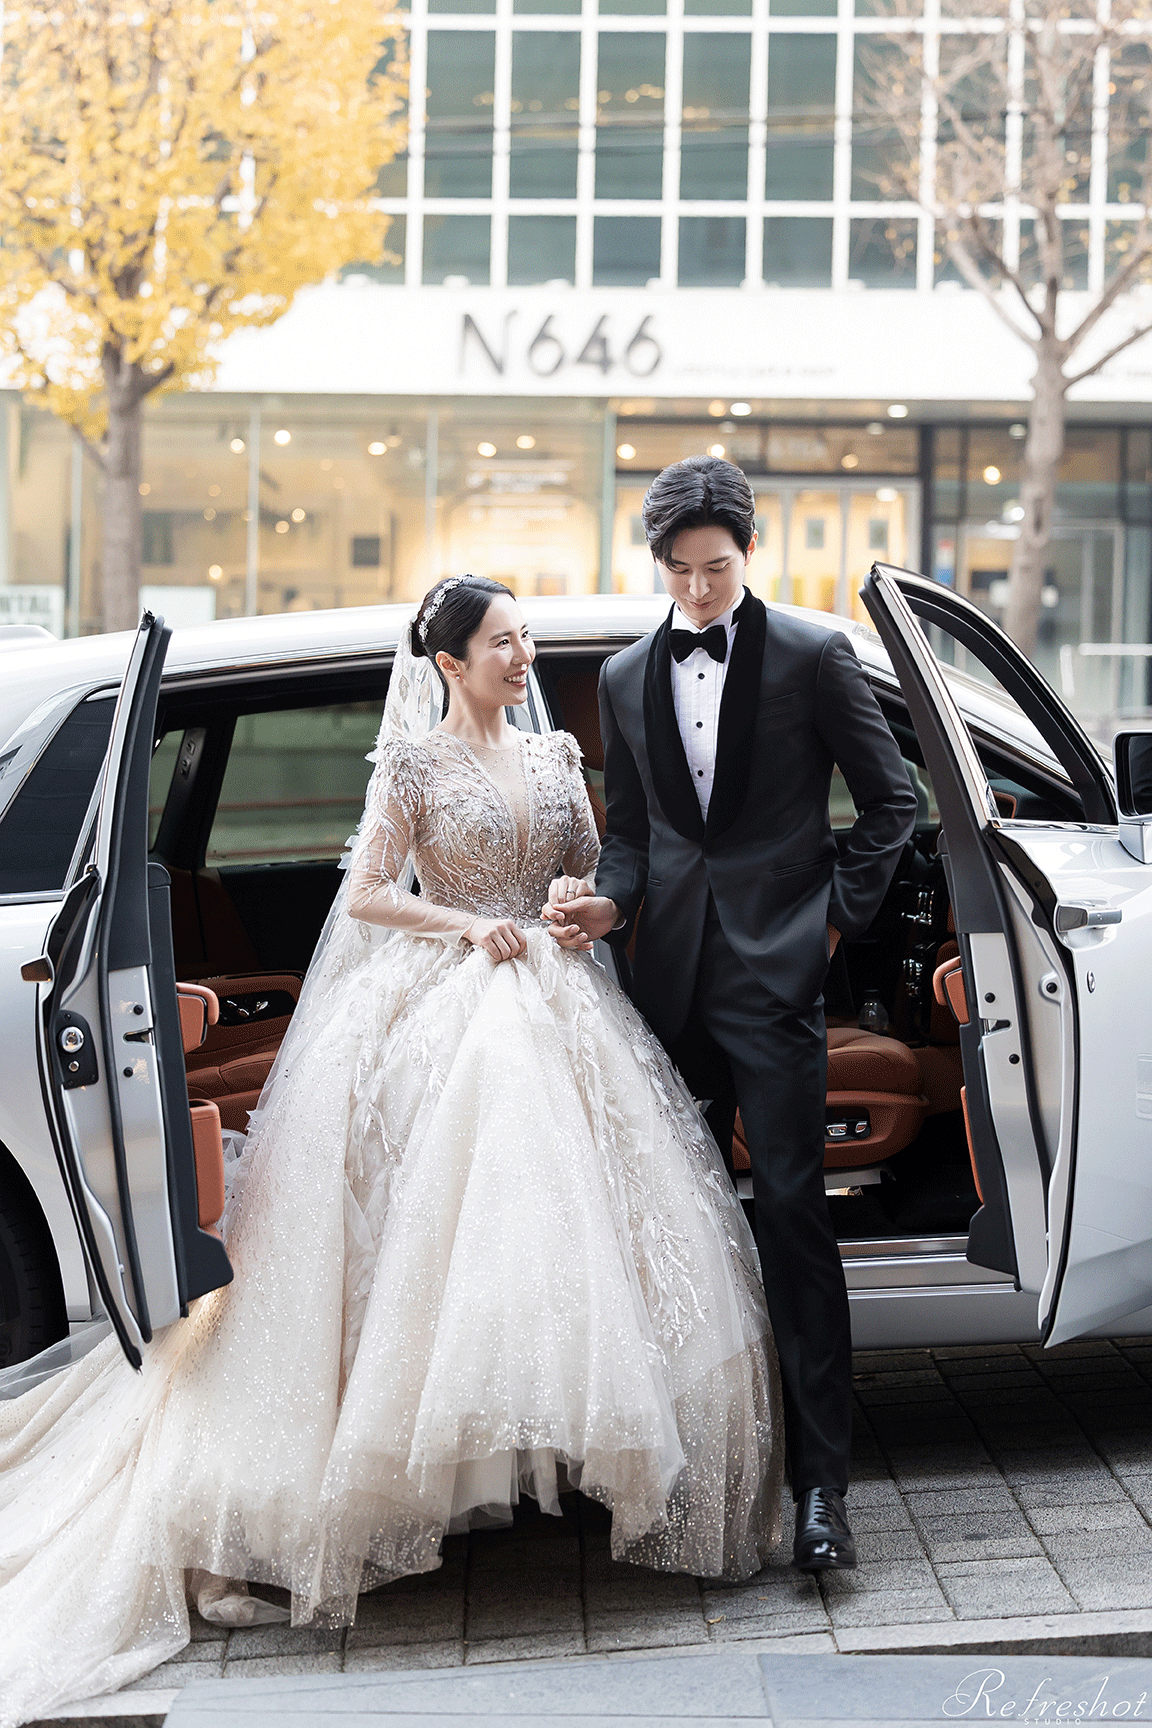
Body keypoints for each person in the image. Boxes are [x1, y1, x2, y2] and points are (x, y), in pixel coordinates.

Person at [0, 575, 783, 1728]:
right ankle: (409, 1471)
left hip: (565, 997)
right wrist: (470, 926)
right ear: (452, 662)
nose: (525, 656)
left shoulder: (559, 754)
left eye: (527, 638)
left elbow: (597, 861)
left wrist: (581, 903)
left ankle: (549, 1455)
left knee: (591, 1226)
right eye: (504, 642)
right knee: (439, 1229)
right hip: (458, 995)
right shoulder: (413, 769)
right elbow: (367, 895)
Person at [543, 458, 918, 1572]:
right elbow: (634, 834)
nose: (700, 589)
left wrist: (832, 924)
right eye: (681, 572)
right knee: (679, 1227)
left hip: (777, 981)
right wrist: (609, 904)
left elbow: (892, 802)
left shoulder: (812, 655)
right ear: (657, 563)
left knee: (794, 1217)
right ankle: (699, 1471)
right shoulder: (623, 675)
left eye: (717, 568)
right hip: (665, 981)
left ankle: (821, 1494)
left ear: (748, 552)